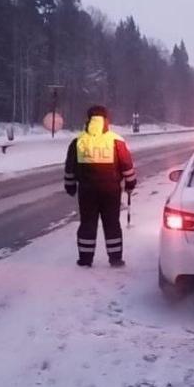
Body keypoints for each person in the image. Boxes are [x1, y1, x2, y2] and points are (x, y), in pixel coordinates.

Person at [64, 105, 137, 268]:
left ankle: (85, 259)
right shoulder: (116, 140)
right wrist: (130, 183)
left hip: (87, 191)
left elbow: (70, 167)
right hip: (111, 190)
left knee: (87, 223)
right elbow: (126, 165)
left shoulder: (78, 141)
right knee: (112, 223)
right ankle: (115, 259)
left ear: (88, 119)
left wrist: (70, 186)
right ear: (106, 120)